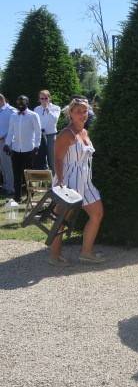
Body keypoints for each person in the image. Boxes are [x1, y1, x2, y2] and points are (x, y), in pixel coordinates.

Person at [48, 97, 105, 266]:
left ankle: (86, 253)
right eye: (78, 111)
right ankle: (54, 256)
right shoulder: (66, 133)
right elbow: (57, 159)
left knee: (97, 213)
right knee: (61, 219)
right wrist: (61, 184)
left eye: (85, 111)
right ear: (70, 113)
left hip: (86, 181)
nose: (82, 114)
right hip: (69, 181)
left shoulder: (84, 132)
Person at [3, 96, 42, 203]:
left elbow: (38, 133)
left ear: (27, 103)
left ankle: (30, 195)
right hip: (16, 149)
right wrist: (7, 144)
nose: (20, 104)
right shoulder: (13, 116)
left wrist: (37, 146)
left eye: (23, 102)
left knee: (28, 174)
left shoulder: (33, 115)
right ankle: (17, 196)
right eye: (19, 102)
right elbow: (11, 132)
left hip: (29, 149)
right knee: (17, 174)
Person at [33, 90, 61, 173]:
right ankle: (44, 180)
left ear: (49, 98)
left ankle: (56, 179)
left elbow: (54, 119)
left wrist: (47, 109)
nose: (44, 100)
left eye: (46, 98)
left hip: (50, 135)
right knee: (40, 158)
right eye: (42, 98)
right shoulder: (36, 109)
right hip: (40, 136)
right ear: (39, 99)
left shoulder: (56, 108)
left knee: (52, 158)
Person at [0, 94, 17, 197]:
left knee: (8, 166)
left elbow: (15, 127)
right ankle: (6, 186)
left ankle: (11, 188)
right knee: (2, 166)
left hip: (7, 142)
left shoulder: (11, 111)